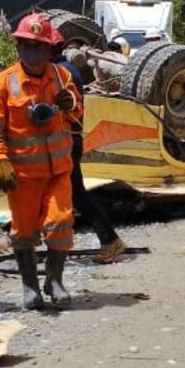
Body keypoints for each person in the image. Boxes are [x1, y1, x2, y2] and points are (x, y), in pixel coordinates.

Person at [0, 13, 82, 309]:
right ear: (18, 47)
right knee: (24, 232)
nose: (31, 51)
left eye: (37, 46)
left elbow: (76, 116)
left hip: (57, 170)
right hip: (23, 175)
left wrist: (71, 105)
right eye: (25, 45)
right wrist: (1, 161)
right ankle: (30, 288)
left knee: (61, 222)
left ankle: (55, 281)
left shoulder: (60, 77)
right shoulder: (4, 83)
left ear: (48, 49)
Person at [51, 45, 128, 262]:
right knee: (74, 193)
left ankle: (111, 241)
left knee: (77, 194)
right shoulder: (67, 69)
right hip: (71, 139)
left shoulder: (59, 73)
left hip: (66, 141)